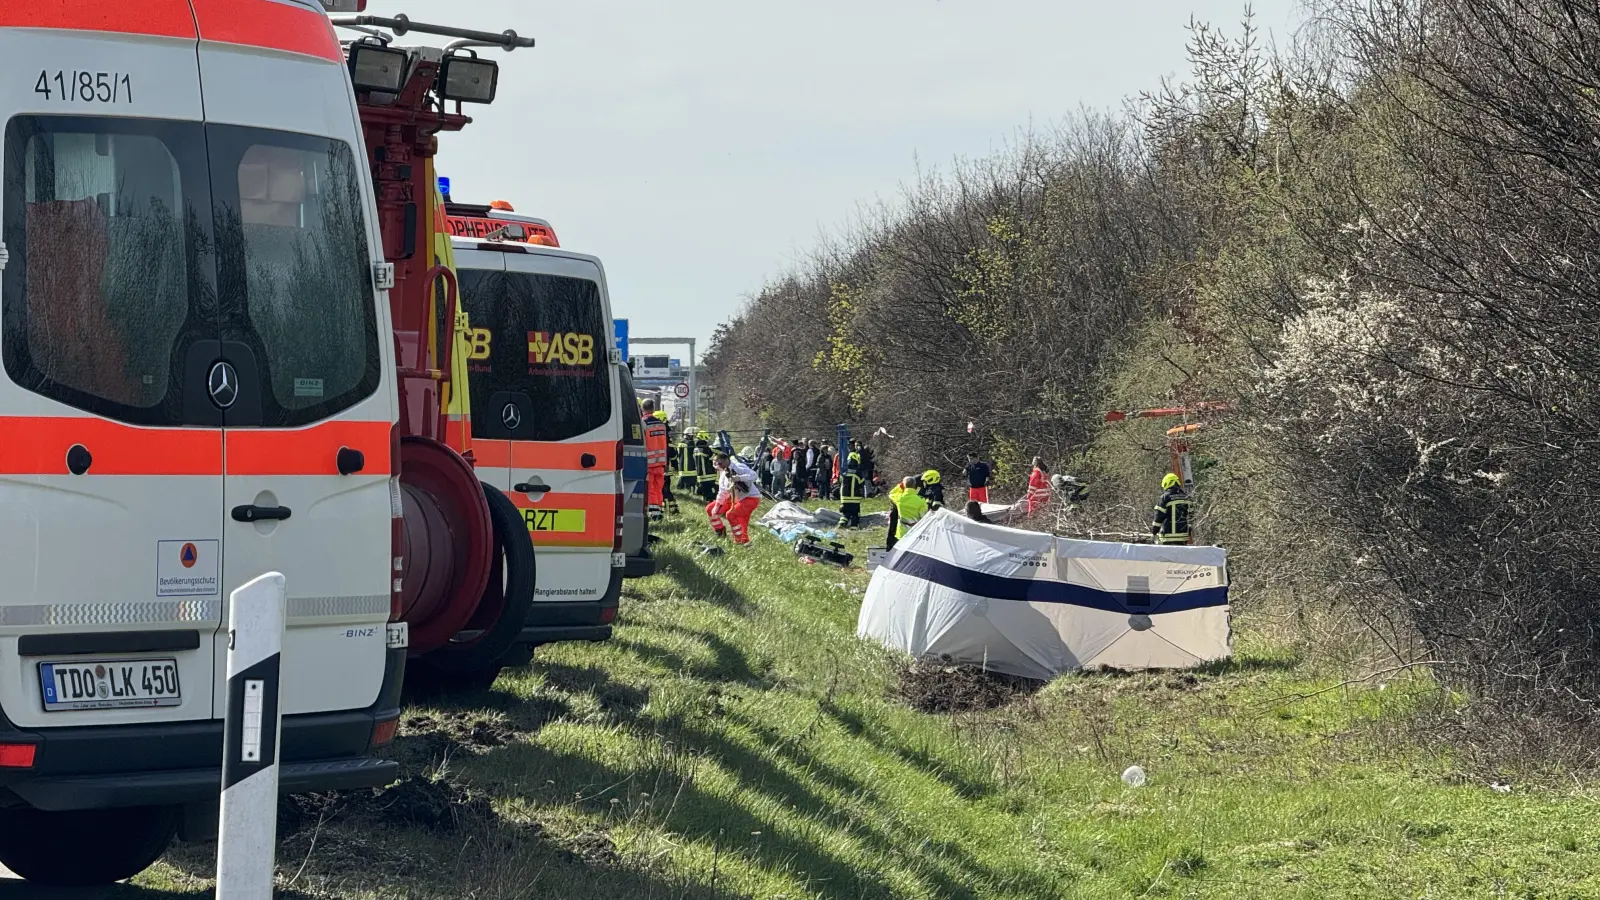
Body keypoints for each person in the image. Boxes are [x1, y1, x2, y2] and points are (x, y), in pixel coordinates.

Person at [707, 450, 761, 545]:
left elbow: (754, 475)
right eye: (715, 464)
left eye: (719, 463)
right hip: (734, 498)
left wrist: (739, 478)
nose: (717, 466)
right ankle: (720, 530)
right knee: (710, 509)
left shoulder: (738, 467)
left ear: (726, 460)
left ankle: (740, 540)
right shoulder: (723, 473)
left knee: (732, 515)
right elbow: (722, 492)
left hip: (750, 497)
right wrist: (717, 505)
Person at [641, 400, 669, 521]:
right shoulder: (661, 424)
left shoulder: (643, 423)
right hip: (661, 462)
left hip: (649, 462)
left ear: (642, 409)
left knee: (650, 488)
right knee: (658, 488)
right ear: (653, 409)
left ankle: (654, 514)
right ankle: (659, 510)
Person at [887, 474, 928, 551]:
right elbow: (923, 518)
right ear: (915, 486)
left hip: (901, 532)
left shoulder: (899, 498)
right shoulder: (921, 501)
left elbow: (891, 493)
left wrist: (900, 486)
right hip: (915, 532)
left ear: (904, 485)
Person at [1151, 472, 1193, 545]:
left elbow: (1159, 516)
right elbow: (1191, 517)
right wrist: (1188, 530)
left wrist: (1154, 531)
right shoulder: (1187, 497)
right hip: (1183, 536)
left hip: (1167, 536)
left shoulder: (1165, 497)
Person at [656, 410, 679, 515]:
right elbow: (673, 453)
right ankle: (672, 509)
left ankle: (664, 509)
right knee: (665, 490)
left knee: (662, 490)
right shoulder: (666, 433)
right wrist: (675, 465)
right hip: (665, 467)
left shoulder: (660, 433)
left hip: (659, 467)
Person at [839, 448, 865, 527]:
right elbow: (862, 483)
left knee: (845, 513)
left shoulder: (844, 473)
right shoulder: (858, 474)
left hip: (844, 498)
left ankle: (842, 523)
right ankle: (853, 527)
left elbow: (839, 481)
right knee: (855, 514)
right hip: (855, 499)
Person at [694, 431, 719, 502]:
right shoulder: (706, 449)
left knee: (705, 491)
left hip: (700, 475)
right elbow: (713, 458)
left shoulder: (695, 449)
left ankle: (705, 501)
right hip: (709, 474)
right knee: (711, 492)